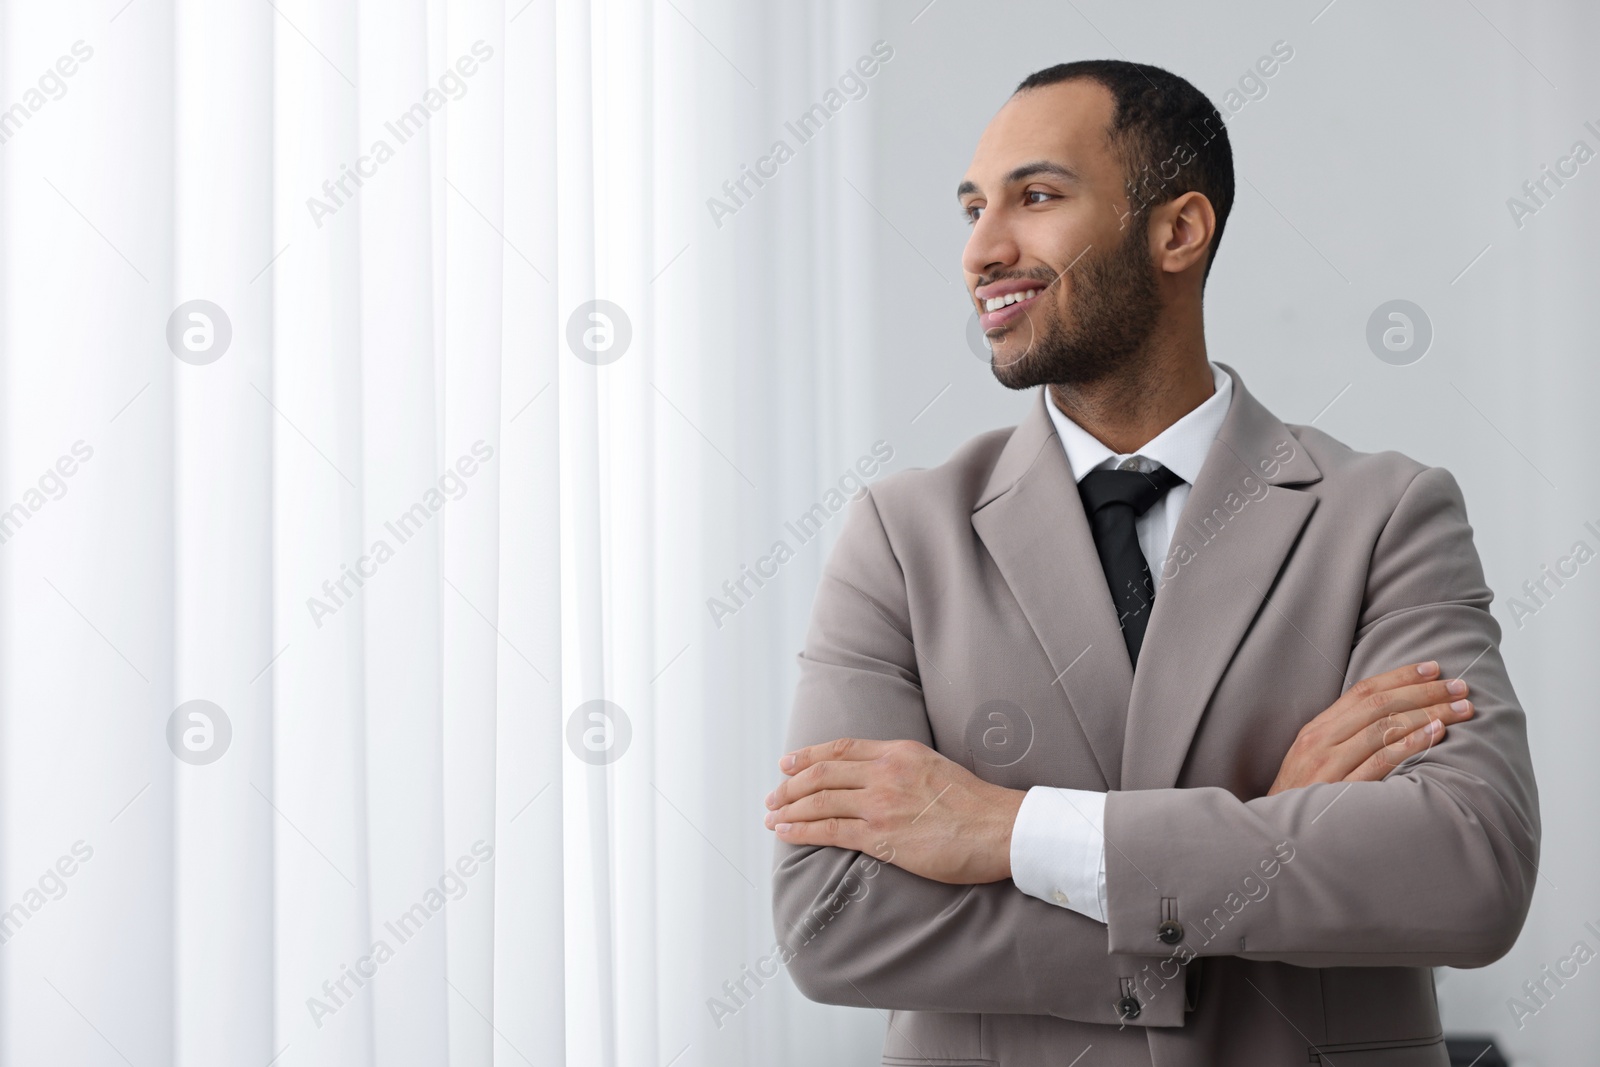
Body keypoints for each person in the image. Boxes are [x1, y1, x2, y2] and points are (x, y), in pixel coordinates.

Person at [764, 60, 1538, 1065]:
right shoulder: (900, 533)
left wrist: (1013, 833)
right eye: (971, 208)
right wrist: (1268, 829)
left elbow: (1465, 871)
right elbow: (833, 919)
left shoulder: (1386, 514)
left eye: (1035, 197)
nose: (981, 250)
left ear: (1178, 230)